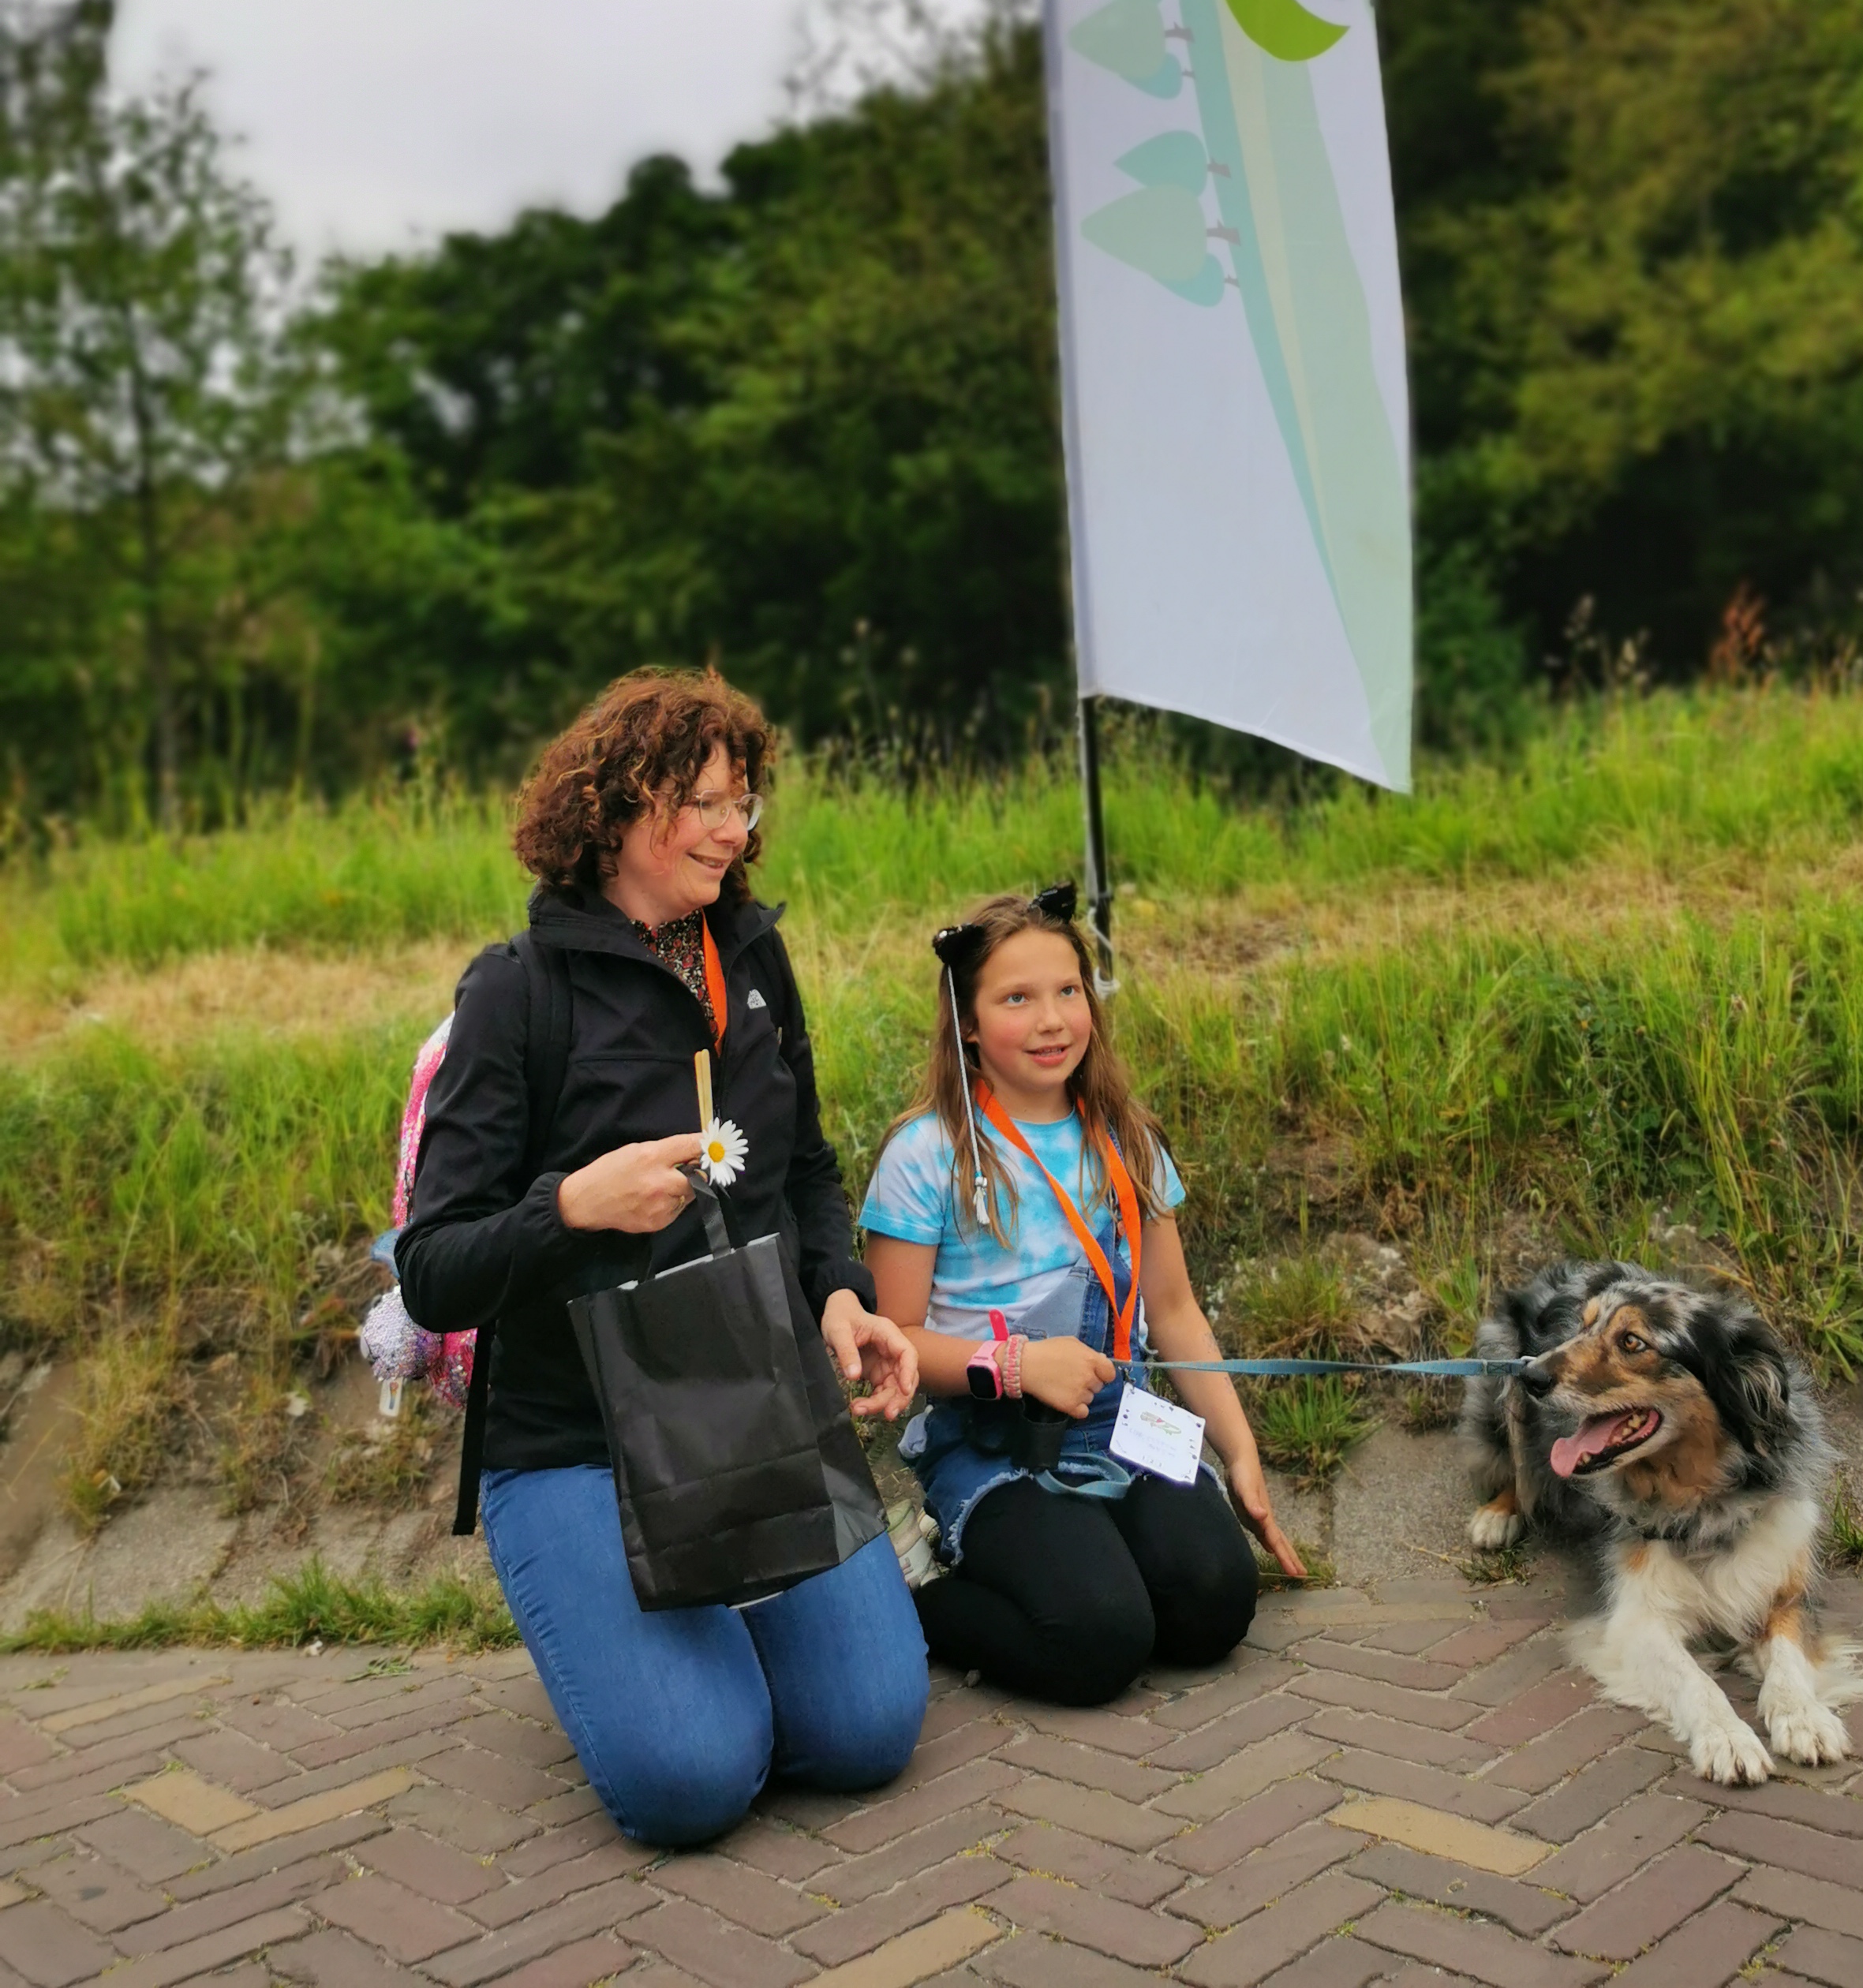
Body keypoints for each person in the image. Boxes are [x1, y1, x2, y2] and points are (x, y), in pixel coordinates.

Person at [398, 668, 927, 1846]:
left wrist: (840, 1296)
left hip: (753, 1415)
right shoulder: (517, 993)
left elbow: (802, 1169)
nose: (736, 830)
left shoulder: (753, 958)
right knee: (693, 1781)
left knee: (868, 1732)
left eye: (745, 802)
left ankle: (707, 1641)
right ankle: (658, 1651)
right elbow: (431, 1269)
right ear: (619, 807)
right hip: (578, 1446)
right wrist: (570, 1207)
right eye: (706, 803)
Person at [861, 883, 1304, 1706]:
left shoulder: (1126, 1136)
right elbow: (895, 1344)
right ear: (966, 1021)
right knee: (1098, 1642)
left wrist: (1239, 1451)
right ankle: (918, 1594)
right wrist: (1017, 1365)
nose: (1052, 1020)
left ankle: (1091, 1551)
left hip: (1123, 1424)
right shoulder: (925, 1155)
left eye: (1068, 990)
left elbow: (1175, 1311)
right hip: (994, 1441)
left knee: (1214, 1606)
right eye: (1016, 999)